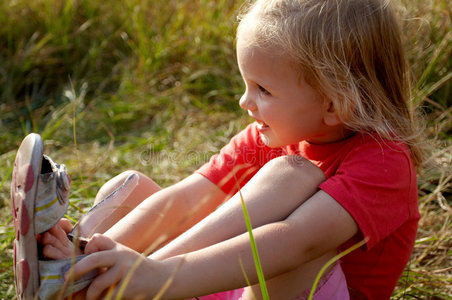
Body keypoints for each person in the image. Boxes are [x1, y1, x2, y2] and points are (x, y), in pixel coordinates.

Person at [41, 0, 423, 299]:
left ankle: (126, 285)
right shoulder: (270, 134)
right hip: (221, 283)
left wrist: (156, 275)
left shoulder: (386, 162)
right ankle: (76, 268)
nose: (245, 102)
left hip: (288, 286)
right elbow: (189, 196)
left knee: (291, 175)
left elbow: (297, 241)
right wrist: (108, 252)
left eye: (264, 90)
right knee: (129, 187)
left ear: (333, 103)